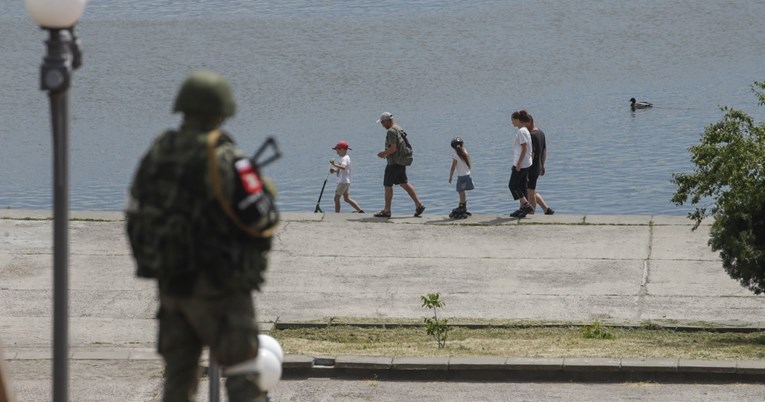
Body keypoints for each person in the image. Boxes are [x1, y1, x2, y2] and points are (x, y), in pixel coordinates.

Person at [126, 71, 278, 402]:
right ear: (222, 110)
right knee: (243, 374)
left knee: (179, 380)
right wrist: (265, 187)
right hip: (220, 286)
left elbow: (135, 211)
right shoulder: (226, 158)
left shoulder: (158, 151)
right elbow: (263, 215)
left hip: (172, 285)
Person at [374, 112, 426, 218]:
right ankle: (418, 204)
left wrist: (383, 154)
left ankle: (387, 210)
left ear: (388, 120)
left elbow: (393, 148)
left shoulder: (391, 131)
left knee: (388, 185)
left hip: (393, 162)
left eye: (383, 122)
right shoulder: (398, 128)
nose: (382, 124)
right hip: (400, 161)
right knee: (404, 183)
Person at [525, 114, 554, 215]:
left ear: (529, 122)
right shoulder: (541, 133)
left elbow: (531, 153)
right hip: (538, 166)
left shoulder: (531, 135)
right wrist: (542, 164)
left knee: (529, 192)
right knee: (530, 190)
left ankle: (531, 213)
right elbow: (544, 150)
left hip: (531, 167)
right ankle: (546, 209)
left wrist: (526, 166)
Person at [509, 110, 534, 218]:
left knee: (513, 185)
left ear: (517, 120)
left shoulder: (522, 131)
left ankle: (526, 205)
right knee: (522, 186)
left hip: (522, 163)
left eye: (512, 120)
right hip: (525, 162)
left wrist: (518, 163)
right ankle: (523, 208)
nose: (512, 123)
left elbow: (524, 148)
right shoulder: (524, 130)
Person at [329, 140, 364, 213]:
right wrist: (335, 170)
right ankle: (360, 210)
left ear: (342, 149)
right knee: (346, 198)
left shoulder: (345, 158)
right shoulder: (345, 158)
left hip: (343, 182)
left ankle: (337, 214)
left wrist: (334, 164)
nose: (336, 152)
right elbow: (343, 169)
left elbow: (343, 167)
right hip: (346, 181)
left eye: (337, 150)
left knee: (336, 198)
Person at [448, 137, 474, 219]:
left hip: (462, 177)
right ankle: (463, 206)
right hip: (468, 175)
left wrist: (450, 177)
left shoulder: (456, 156)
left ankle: (462, 206)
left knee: (460, 191)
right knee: (462, 192)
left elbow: (453, 167)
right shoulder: (465, 152)